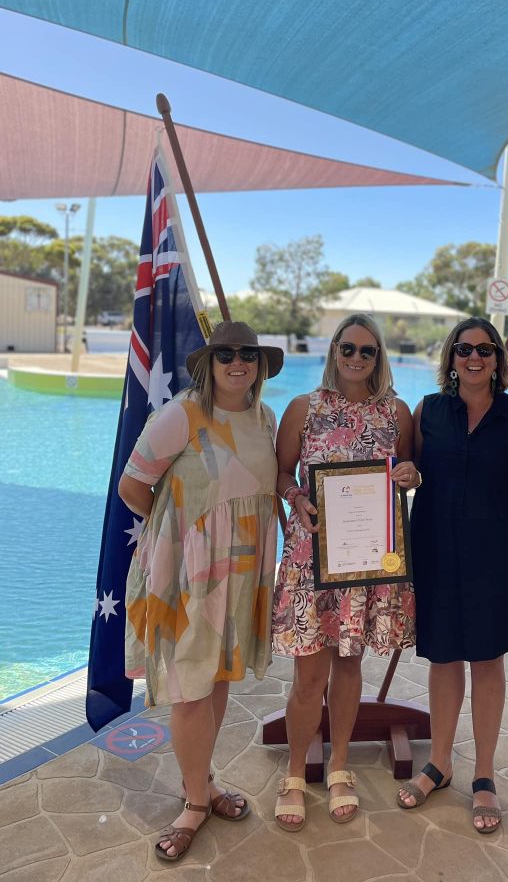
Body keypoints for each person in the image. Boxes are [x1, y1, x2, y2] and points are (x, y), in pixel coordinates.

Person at [119, 321, 284, 863]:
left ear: (260, 366)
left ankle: (204, 784)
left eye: (248, 356)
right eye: (226, 355)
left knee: (215, 680)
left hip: (241, 576)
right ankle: (194, 803)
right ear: (209, 365)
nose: (238, 364)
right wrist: (178, 536)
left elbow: (265, 488)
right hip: (194, 576)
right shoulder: (183, 415)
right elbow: (132, 485)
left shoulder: (264, 418)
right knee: (191, 687)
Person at [272, 313, 418, 831]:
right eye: (348, 348)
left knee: (350, 666)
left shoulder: (396, 413)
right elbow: (280, 472)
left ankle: (338, 768)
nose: (356, 359)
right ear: (334, 350)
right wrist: (295, 499)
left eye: (368, 351)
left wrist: (410, 473)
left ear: (379, 358)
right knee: (309, 674)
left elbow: (410, 472)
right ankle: (293, 773)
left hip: (366, 563)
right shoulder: (302, 409)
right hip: (313, 560)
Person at [396, 317, 508, 834]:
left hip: (495, 554)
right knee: (444, 655)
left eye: (485, 349)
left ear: (498, 360)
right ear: (451, 358)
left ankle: (486, 775)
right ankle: (441, 762)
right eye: (464, 349)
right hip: (435, 549)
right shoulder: (428, 410)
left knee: (487, 658)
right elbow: (409, 468)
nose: (474, 357)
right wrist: (405, 475)